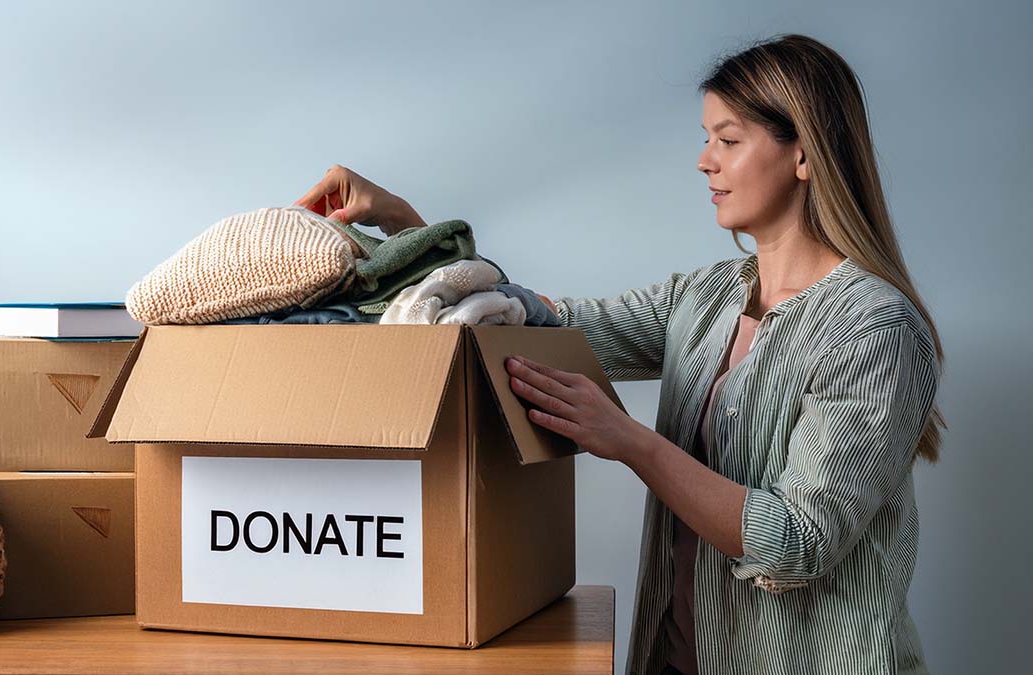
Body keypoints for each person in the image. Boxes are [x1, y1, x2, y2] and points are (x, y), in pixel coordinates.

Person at [294, 33, 944, 675]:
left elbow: (797, 543)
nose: (703, 160)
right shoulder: (706, 295)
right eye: (706, 136)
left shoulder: (876, 329)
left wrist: (629, 441)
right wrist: (412, 230)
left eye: (728, 138)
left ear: (803, 155)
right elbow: (541, 323)